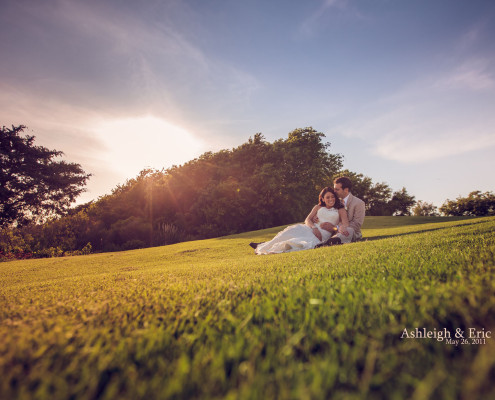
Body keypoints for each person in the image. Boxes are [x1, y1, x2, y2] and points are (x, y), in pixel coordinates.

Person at [251, 187, 349, 255]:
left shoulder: (340, 209)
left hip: (322, 235)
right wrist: (314, 228)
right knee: (289, 232)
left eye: (333, 197)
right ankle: (262, 246)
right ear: (323, 199)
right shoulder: (318, 207)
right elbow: (307, 219)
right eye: (328, 197)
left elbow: (345, 225)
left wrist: (333, 228)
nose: (331, 199)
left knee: (296, 243)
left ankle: (266, 247)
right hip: (310, 228)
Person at [315, 176, 365, 246]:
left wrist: (336, 228)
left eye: (337, 189)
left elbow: (357, 224)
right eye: (334, 189)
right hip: (331, 232)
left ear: (346, 190)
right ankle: (328, 242)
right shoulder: (333, 201)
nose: (334, 191)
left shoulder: (358, 203)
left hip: (349, 232)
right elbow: (324, 210)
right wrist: (317, 217)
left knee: (348, 230)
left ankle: (329, 242)